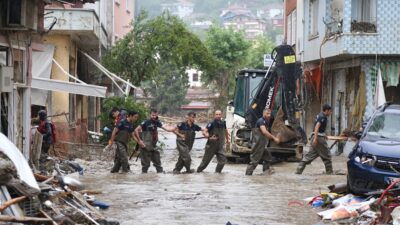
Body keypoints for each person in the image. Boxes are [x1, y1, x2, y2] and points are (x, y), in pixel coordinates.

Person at [295, 104, 333, 175]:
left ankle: (298, 171)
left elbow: (320, 128)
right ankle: (329, 173)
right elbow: (317, 127)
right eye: (330, 111)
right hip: (318, 138)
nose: (331, 113)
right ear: (327, 111)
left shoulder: (320, 115)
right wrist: (315, 138)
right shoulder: (323, 117)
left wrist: (324, 135)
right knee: (327, 156)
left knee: (310, 156)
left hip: (316, 137)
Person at [135, 109, 176, 173]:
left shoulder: (157, 122)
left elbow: (167, 129)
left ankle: (160, 175)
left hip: (153, 145)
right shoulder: (145, 122)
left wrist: (174, 129)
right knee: (146, 165)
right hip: (145, 145)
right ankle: (143, 178)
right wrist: (139, 141)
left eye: (155, 115)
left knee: (158, 162)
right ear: (150, 115)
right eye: (152, 115)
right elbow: (136, 130)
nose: (154, 117)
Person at [245, 108, 280, 175]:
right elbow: (264, 132)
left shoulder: (266, 121)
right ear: (263, 113)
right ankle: (247, 176)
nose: (269, 115)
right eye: (267, 113)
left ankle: (265, 173)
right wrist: (274, 138)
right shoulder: (261, 121)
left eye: (270, 114)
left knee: (268, 158)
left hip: (262, 145)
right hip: (258, 145)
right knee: (254, 161)